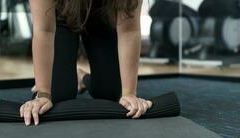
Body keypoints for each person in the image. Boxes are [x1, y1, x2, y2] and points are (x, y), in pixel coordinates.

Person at [20, 0, 153, 126]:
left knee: (110, 94)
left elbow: (129, 30)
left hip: (103, 13)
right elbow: (44, 30)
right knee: (56, 96)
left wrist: (129, 93)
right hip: (60, 15)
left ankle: (82, 77)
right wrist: (43, 92)